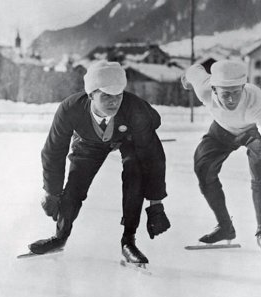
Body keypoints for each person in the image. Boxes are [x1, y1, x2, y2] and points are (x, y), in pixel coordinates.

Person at [28, 60, 170, 264]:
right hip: (89, 141)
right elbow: (53, 151)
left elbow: (154, 155)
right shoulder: (70, 109)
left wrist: (156, 203)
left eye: (118, 96)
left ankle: (128, 241)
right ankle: (60, 237)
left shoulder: (135, 109)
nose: (114, 102)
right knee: (75, 186)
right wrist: (52, 191)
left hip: (128, 136)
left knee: (135, 173)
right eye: (106, 96)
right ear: (90, 95)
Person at [181, 60, 261, 255]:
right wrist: (186, 79)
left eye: (236, 92)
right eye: (226, 94)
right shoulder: (204, 88)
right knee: (203, 165)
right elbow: (193, 70)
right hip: (224, 126)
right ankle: (225, 227)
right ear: (214, 90)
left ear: (243, 87)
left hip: (257, 127)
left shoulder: (254, 100)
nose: (232, 100)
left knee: (259, 168)